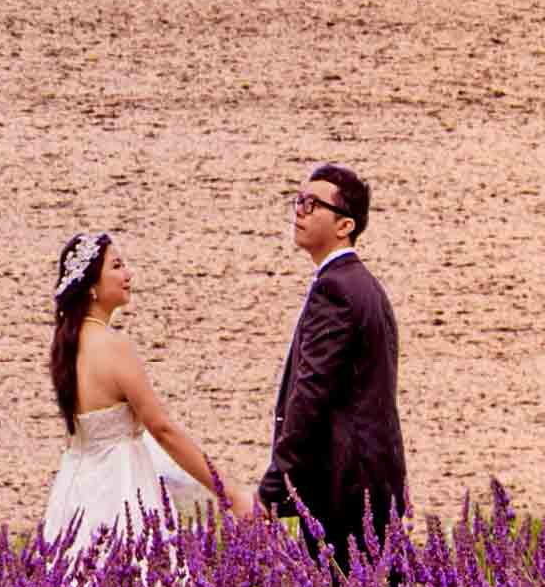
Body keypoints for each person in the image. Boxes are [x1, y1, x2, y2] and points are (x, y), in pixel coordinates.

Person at [41, 230, 246, 548]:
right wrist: (228, 492)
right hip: (121, 489)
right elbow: (162, 429)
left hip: (73, 493)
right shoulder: (113, 346)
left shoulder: (65, 346)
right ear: (92, 286)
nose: (128, 274)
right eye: (117, 266)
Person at [258, 161, 406, 564]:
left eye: (312, 204)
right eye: (298, 201)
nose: (299, 211)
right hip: (372, 484)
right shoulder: (363, 286)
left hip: (343, 488)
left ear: (345, 226)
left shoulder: (336, 289)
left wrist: (273, 487)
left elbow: (310, 394)